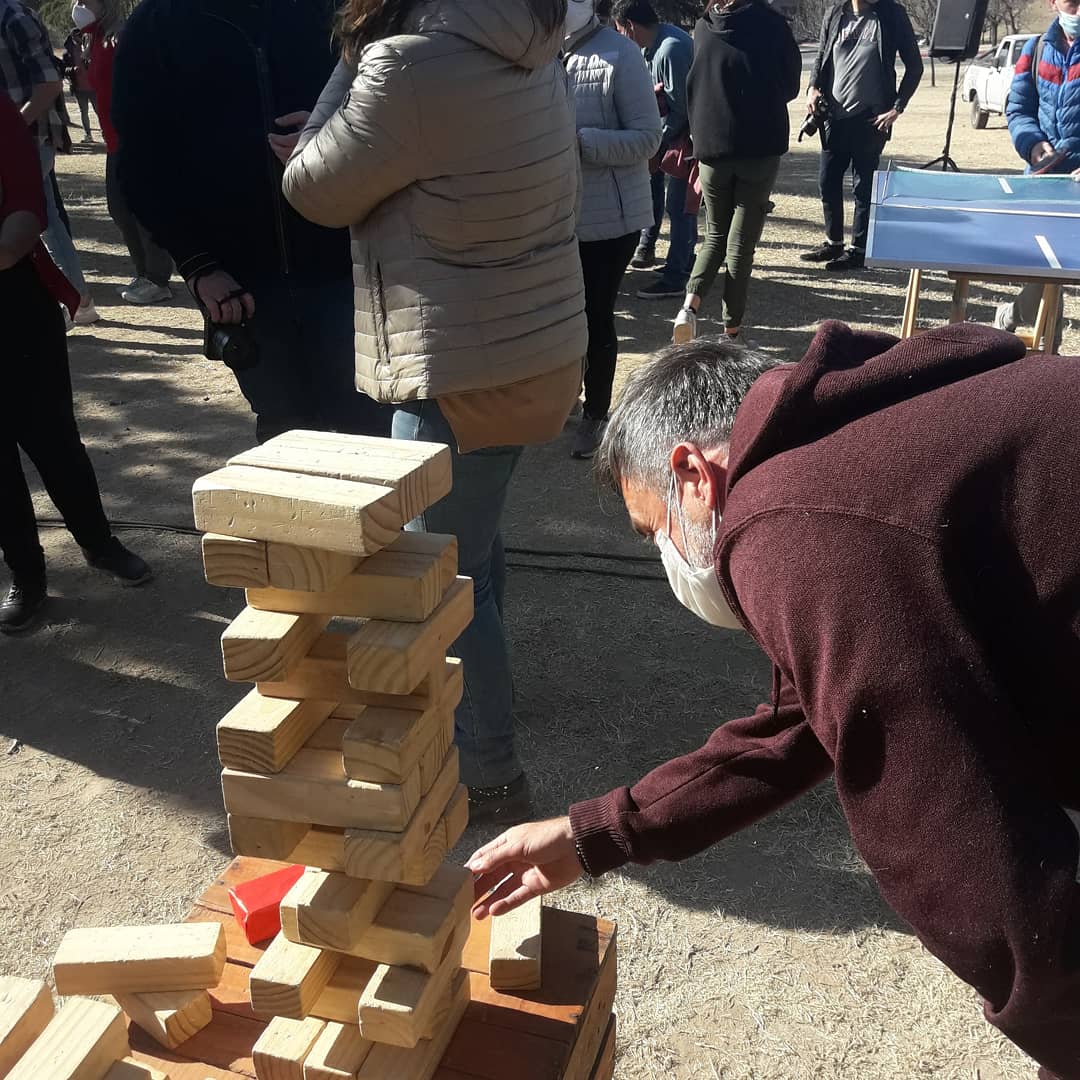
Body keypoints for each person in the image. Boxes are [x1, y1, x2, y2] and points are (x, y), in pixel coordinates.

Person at [468, 325, 1080, 1078]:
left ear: (692, 472)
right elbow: (798, 723)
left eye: (652, 527)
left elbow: (942, 827)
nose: (668, 554)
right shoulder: (850, 442)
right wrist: (596, 833)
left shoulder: (787, 522)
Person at [284, 0, 586, 825]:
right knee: (475, 552)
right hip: (539, 350)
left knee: (445, 581)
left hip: (457, 368)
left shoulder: (404, 65)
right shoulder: (533, 41)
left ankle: (489, 767)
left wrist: (352, 61)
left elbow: (310, 185)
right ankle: (493, 701)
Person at [111, 0, 390, 443]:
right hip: (243, 289)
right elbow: (140, 165)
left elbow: (395, 114)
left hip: (349, 272)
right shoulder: (157, 25)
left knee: (372, 436)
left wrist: (334, 134)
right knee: (288, 443)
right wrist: (198, 265)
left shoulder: (338, 10)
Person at [0, 94, 151, 635]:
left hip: (13, 303)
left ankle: (99, 542)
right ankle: (27, 575)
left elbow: (25, 214)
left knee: (54, 439)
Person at [671, 0, 801, 345]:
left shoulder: (703, 26)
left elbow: (692, 85)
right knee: (741, 245)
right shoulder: (773, 25)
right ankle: (732, 330)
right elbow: (790, 85)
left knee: (715, 234)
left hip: (712, 146)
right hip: (759, 147)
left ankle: (688, 307)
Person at [564, 0, 660, 459]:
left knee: (594, 314)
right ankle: (565, 398)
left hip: (610, 219)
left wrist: (579, 142)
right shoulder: (533, 53)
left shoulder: (621, 56)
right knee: (558, 317)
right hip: (552, 215)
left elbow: (648, 138)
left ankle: (596, 414)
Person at [801, 0, 922, 272]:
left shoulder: (890, 14)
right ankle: (833, 243)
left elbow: (915, 66)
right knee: (828, 181)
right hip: (833, 116)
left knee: (863, 187)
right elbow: (821, 56)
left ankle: (858, 250)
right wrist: (812, 88)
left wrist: (896, 108)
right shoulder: (835, 13)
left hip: (871, 118)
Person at [0, 0, 98, 325]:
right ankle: (77, 300)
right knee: (48, 218)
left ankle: (77, 301)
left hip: (29, 138)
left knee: (41, 220)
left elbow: (49, 84)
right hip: (19, 137)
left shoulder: (13, 16)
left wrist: (10, 132)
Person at [73, 0, 175, 306]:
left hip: (133, 138)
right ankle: (144, 273)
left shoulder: (121, 37)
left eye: (84, 1)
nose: (77, 5)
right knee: (120, 210)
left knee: (140, 211)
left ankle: (158, 279)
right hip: (113, 140)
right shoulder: (94, 38)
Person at [997, 0, 1079, 350]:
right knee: (1050, 272)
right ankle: (1049, 353)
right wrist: (1031, 145)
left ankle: (1012, 316)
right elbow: (1017, 109)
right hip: (1044, 181)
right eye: (1072, 2)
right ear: (1053, 3)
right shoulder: (1035, 48)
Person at [611, 0, 697, 301]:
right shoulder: (655, 46)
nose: (621, 37)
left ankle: (676, 276)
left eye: (621, 30)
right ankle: (683, 259)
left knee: (680, 206)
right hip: (670, 138)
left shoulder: (670, 49)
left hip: (684, 141)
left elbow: (681, 110)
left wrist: (653, 142)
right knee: (666, 199)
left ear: (631, 27)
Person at [61, 28, 96, 144]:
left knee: (99, 111)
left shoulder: (89, 48)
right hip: (79, 88)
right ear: (72, 37)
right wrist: (72, 70)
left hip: (93, 86)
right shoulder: (67, 54)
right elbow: (64, 69)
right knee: (84, 112)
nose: (79, 38)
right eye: (77, 36)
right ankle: (88, 135)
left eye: (81, 35)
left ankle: (105, 133)